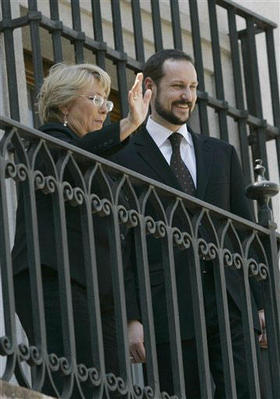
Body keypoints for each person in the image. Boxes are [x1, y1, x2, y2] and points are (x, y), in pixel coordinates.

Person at [111, 49, 265, 398]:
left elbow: (246, 232)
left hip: (229, 304)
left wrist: (261, 304)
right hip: (166, 310)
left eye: (193, 87)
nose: (188, 96)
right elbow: (120, 244)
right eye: (178, 86)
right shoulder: (124, 155)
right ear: (149, 87)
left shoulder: (221, 153)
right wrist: (132, 318)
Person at [12, 63, 151, 397]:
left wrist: (132, 314)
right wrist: (129, 123)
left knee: (111, 385)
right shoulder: (45, 141)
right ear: (64, 105)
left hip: (101, 289)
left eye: (108, 101)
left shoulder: (103, 156)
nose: (105, 108)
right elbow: (70, 158)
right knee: (73, 381)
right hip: (53, 276)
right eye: (95, 99)